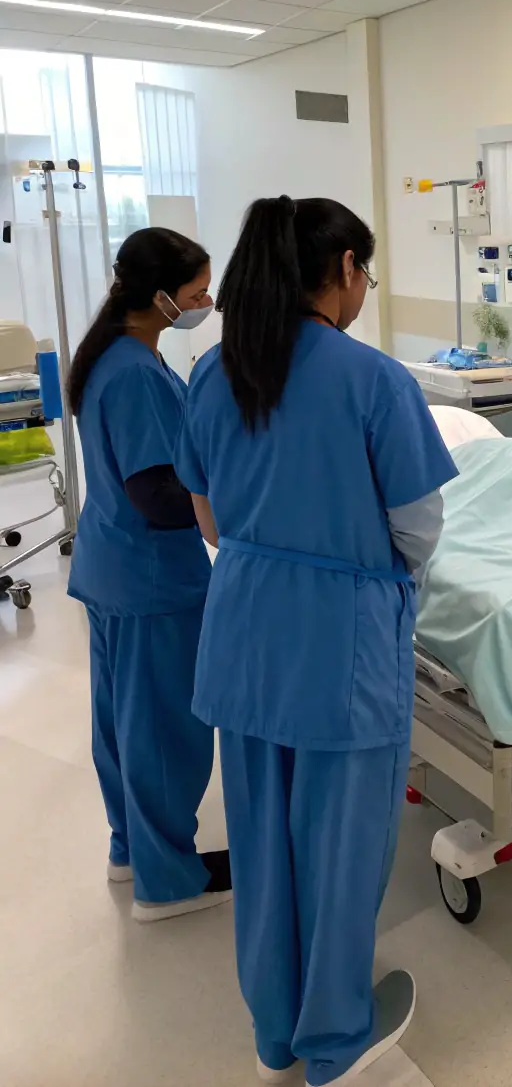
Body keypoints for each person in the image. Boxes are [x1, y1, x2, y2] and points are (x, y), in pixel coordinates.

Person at [175, 197, 457, 1087]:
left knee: (262, 842)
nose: (367, 288)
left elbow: (209, 515)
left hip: (247, 632)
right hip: (341, 641)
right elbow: (419, 527)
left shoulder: (215, 373)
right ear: (342, 269)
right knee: (338, 849)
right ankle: (338, 1040)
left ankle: (276, 1033)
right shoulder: (373, 380)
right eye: (366, 271)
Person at [67, 228, 230, 922]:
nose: (208, 302)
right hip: (152, 579)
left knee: (122, 722)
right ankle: (167, 881)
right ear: (161, 297)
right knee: (163, 728)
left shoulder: (113, 356)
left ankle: (132, 848)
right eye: (197, 294)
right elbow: (157, 495)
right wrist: (227, 500)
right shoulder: (134, 372)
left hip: (112, 570)